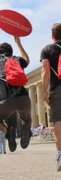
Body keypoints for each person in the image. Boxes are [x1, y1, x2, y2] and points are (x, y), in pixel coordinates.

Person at [0, 31, 32, 152]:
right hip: (24, 98)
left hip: (6, 100)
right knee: (27, 119)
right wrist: (19, 44)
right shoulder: (17, 60)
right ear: (11, 52)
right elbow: (27, 59)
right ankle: (26, 128)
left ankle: (8, 132)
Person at [40, 23, 61, 171]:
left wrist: (45, 91)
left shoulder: (47, 49)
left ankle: (60, 155)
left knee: (58, 121)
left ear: (52, 35)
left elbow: (45, 72)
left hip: (56, 87)